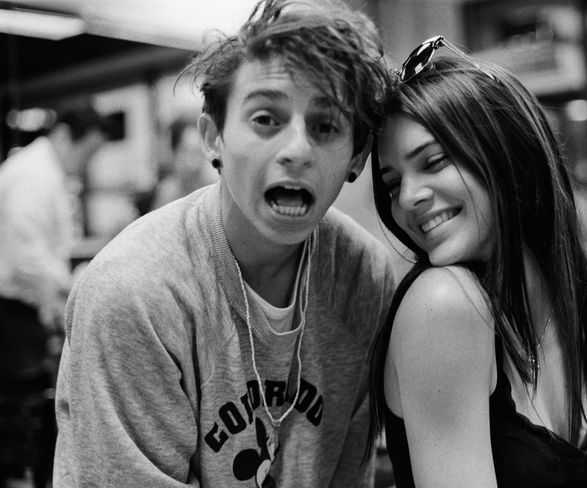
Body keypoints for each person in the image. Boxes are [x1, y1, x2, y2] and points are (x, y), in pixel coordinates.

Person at [53, 0, 395, 486]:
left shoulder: (363, 275)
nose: (297, 150)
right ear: (213, 137)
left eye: (326, 126)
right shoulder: (136, 293)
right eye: (266, 119)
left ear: (357, 155)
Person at [367, 36, 587, 487]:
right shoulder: (444, 303)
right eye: (392, 184)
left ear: (509, 150)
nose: (407, 198)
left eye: (434, 161)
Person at [0, 102, 112, 486]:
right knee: (25, 411)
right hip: (9, 313)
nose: (86, 163)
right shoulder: (33, 174)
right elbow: (25, 259)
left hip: (23, 306)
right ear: (63, 136)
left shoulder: (49, 172)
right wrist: (75, 285)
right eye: (87, 151)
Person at [151, 116, 218, 210]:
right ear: (174, 152)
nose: (195, 163)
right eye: (189, 153)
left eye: (200, 153)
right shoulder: (167, 195)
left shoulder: (212, 193)